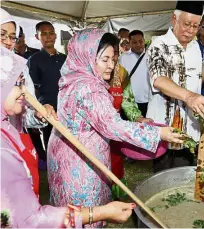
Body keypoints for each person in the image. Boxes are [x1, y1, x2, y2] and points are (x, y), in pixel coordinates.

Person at [47, 28, 183, 227]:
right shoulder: (89, 88)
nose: (111, 66)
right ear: (87, 56)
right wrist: (159, 133)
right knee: (87, 214)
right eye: (105, 59)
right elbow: (112, 125)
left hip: (65, 155)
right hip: (81, 165)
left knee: (69, 213)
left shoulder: (73, 77)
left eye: (114, 59)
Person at [0, 46, 135, 228]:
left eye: (22, 82)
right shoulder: (3, 152)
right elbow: (32, 221)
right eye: (16, 84)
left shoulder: (6, 123)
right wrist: (102, 212)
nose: (24, 92)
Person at [146, 0, 204, 173]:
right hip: (164, 127)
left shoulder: (195, 47)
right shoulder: (159, 45)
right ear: (174, 19)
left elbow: (197, 80)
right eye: (187, 24)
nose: (191, 31)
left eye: (196, 26)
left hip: (190, 128)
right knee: (163, 179)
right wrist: (188, 96)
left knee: (184, 176)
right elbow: (158, 80)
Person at [1, 9, 56, 171]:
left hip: (16, 143)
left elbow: (25, 114)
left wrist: (39, 114)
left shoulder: (20, 70)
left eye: (12, 37)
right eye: (1, 34)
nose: (8, 41)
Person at [109, 43, 152, 199]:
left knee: (116, 162)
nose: (112, 58)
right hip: (92, 134)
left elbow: (126, 100)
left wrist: (138, 117)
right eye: (106, 54)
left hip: (114, 128)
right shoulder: (87, 74)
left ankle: (115, 195)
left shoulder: (121, 73)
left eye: (114, 53)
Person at [28, 21, 67, 163]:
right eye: (43, 34)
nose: (48, 37)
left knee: (69, 148)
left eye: (51, 33)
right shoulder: (34, 60)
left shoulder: (64, 58)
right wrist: (35, 111)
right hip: (48, 112)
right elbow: (32, 89)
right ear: (37, 37)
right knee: (53, 150)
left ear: (55, 36)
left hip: (67, 110)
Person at [119, 30, 150, 117]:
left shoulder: (151, 56)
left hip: (149, 100)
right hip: (131, 102)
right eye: (134, 42)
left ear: (144, 41)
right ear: (130, 43)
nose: (138, 44)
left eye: (140, 41)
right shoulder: (123, 58)